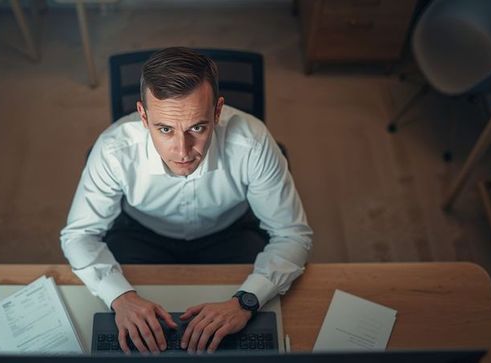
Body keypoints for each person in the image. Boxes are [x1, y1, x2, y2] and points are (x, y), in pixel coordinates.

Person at [60, 47, 312, 354]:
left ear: (217, 112)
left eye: (198, 128)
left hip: (230, 234)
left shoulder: (253, 142)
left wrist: (246, 300)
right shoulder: (114, 150)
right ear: (143, 115)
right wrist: (120, 297)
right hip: (142, 235)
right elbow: (79, 235)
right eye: (165, 129)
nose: (182, 151)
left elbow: (292, 235)